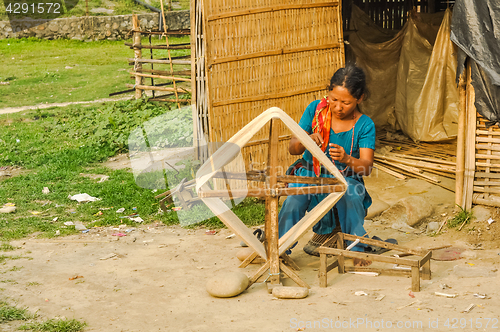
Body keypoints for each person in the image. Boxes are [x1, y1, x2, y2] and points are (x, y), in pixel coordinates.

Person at [278, 65, 375, 267]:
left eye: (346, 103)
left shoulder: (365, 124)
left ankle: (356, 247)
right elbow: (293, 149)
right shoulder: (315, 110)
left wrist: (347, 159)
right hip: (309, 172)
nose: (338, 107)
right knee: (294, 200)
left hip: (343, 176)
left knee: (351, 194)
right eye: (334, 99)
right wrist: (306, 140)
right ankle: (279, 249)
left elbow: (366, 167)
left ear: (360, 98)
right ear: (328, 93)